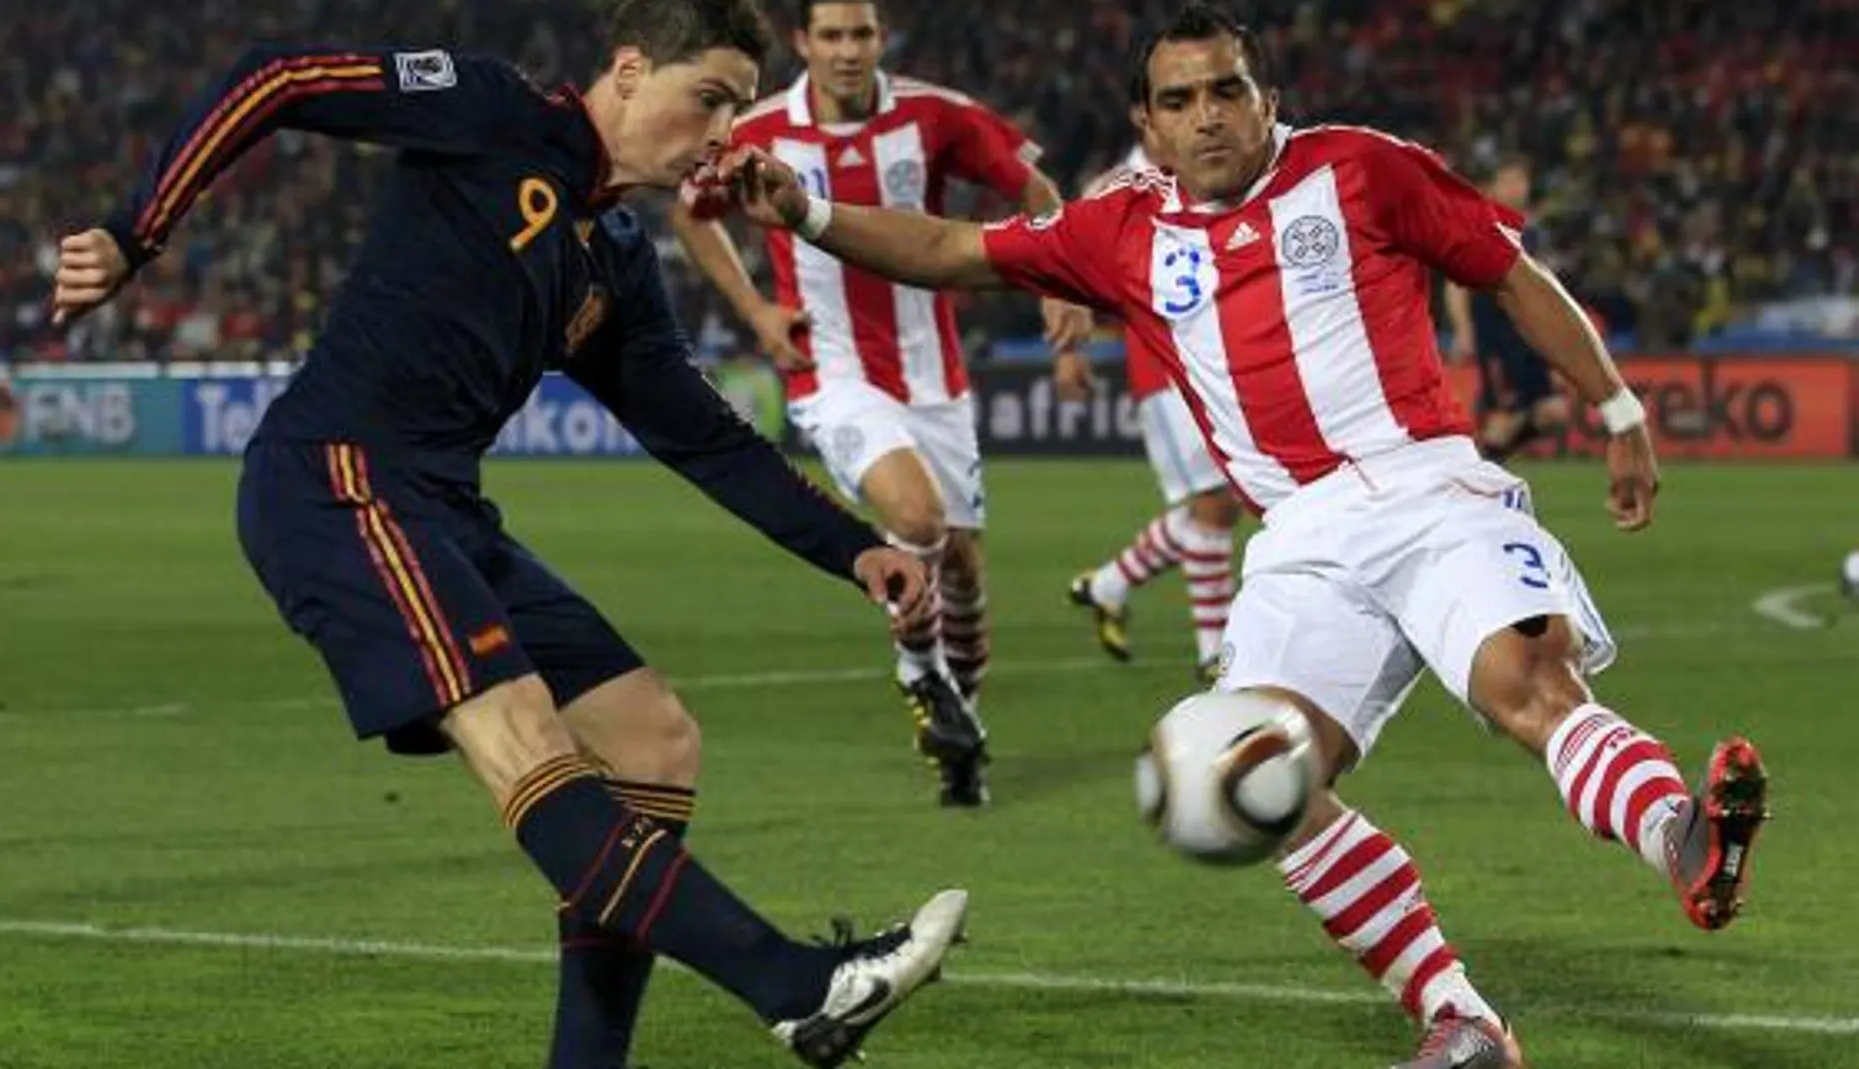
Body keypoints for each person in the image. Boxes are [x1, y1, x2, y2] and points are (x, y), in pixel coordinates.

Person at [716, 5, 1771, 1065]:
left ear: (1268, 99)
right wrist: (806, 210)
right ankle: (1459, 1019)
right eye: (1180, 100)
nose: (1208, 117)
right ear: (1148, 121)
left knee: (1525, 684)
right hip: (1302, 539)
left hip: (1427, 488)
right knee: (1241, 775)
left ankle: (1680, 835)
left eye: (1228, 90)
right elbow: (950, 245)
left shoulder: (1361, 169)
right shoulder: (1120, 228)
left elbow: (1508, 273)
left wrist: (1619, 409)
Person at [47, 3, 966, 1066]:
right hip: (335, 479)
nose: (724, 134)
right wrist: (134, 230)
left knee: (650, 732)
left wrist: (851, 545)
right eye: (708, 98)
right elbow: (278, 78)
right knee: (521, 726)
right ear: (629, 71)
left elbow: (702, 437)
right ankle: (795, 983)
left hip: (439, 506)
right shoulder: (489, 109)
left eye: (739, 109)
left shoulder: (616, 257)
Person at [672, 0, 1096, 807]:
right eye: (830, 35)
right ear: (803, 42)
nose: (847, 50)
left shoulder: (936, 116)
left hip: (933, 375)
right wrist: (755, 309)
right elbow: (693, 215)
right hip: (831, 369)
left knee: (965, 572)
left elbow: (1034, 186)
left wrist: (1059, 278)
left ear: (881, 38)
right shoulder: (759, 130)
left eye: (861, 33)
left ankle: (958, 725)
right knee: (920, 516)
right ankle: (916, 670)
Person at [1058, 123, 1244, 681]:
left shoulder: (1210, 172)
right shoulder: (1116, 187)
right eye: (1176, 102)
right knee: (1213, 502)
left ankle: (1108, 583)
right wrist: (1072, 347)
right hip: (1160, 365)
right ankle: (1215, 653)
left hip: (1215, 363)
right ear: (1144, 117)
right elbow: (1064, 259)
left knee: (1218, 504)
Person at [1443, 158, 1571, 461]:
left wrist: (1555, 354)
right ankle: (1478, 476)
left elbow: (1544, 293)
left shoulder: (1534, 232)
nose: (1517, 188)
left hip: (1530, 340)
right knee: (1503, 418)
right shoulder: (1480, 226)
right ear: (1492, 187)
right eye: (1509, 181)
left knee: (1553, 413)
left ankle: (1488, 462)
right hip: (1497, 338)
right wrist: (1464, 330)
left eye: (1521, 181)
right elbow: (1454, 283)